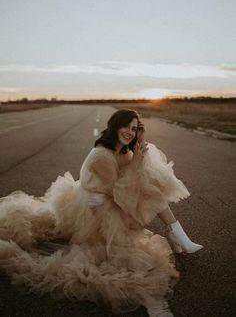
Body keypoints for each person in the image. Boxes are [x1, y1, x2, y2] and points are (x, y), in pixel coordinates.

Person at [0, 108, 203, 317]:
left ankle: (176, 232)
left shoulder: (122, 149)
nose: (130, 132)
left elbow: (132, 180)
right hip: (94, 210)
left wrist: (139, 140)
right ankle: (176, 234)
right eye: (126, 126)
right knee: (123, 254)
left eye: (134, 129)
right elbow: (119, 193)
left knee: (150, 183)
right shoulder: (102, 155)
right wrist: (136, 168)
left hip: (109, 198)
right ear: (115, 126)